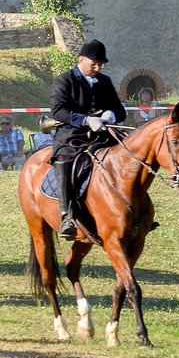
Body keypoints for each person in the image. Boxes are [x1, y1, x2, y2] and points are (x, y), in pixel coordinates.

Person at [49, 40, 127, 240]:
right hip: (72, 136)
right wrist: (84, 120)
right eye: (94, 63)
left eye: (100, 64)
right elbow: (58, 111)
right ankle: (67, 216)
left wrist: (110, 115)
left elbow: (120, 110)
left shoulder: (105, 81)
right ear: (81, 59)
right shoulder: (64, 80)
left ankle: (138, 210)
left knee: (129, 156)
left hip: (103, 134)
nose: (97, 67)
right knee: (65, 160)